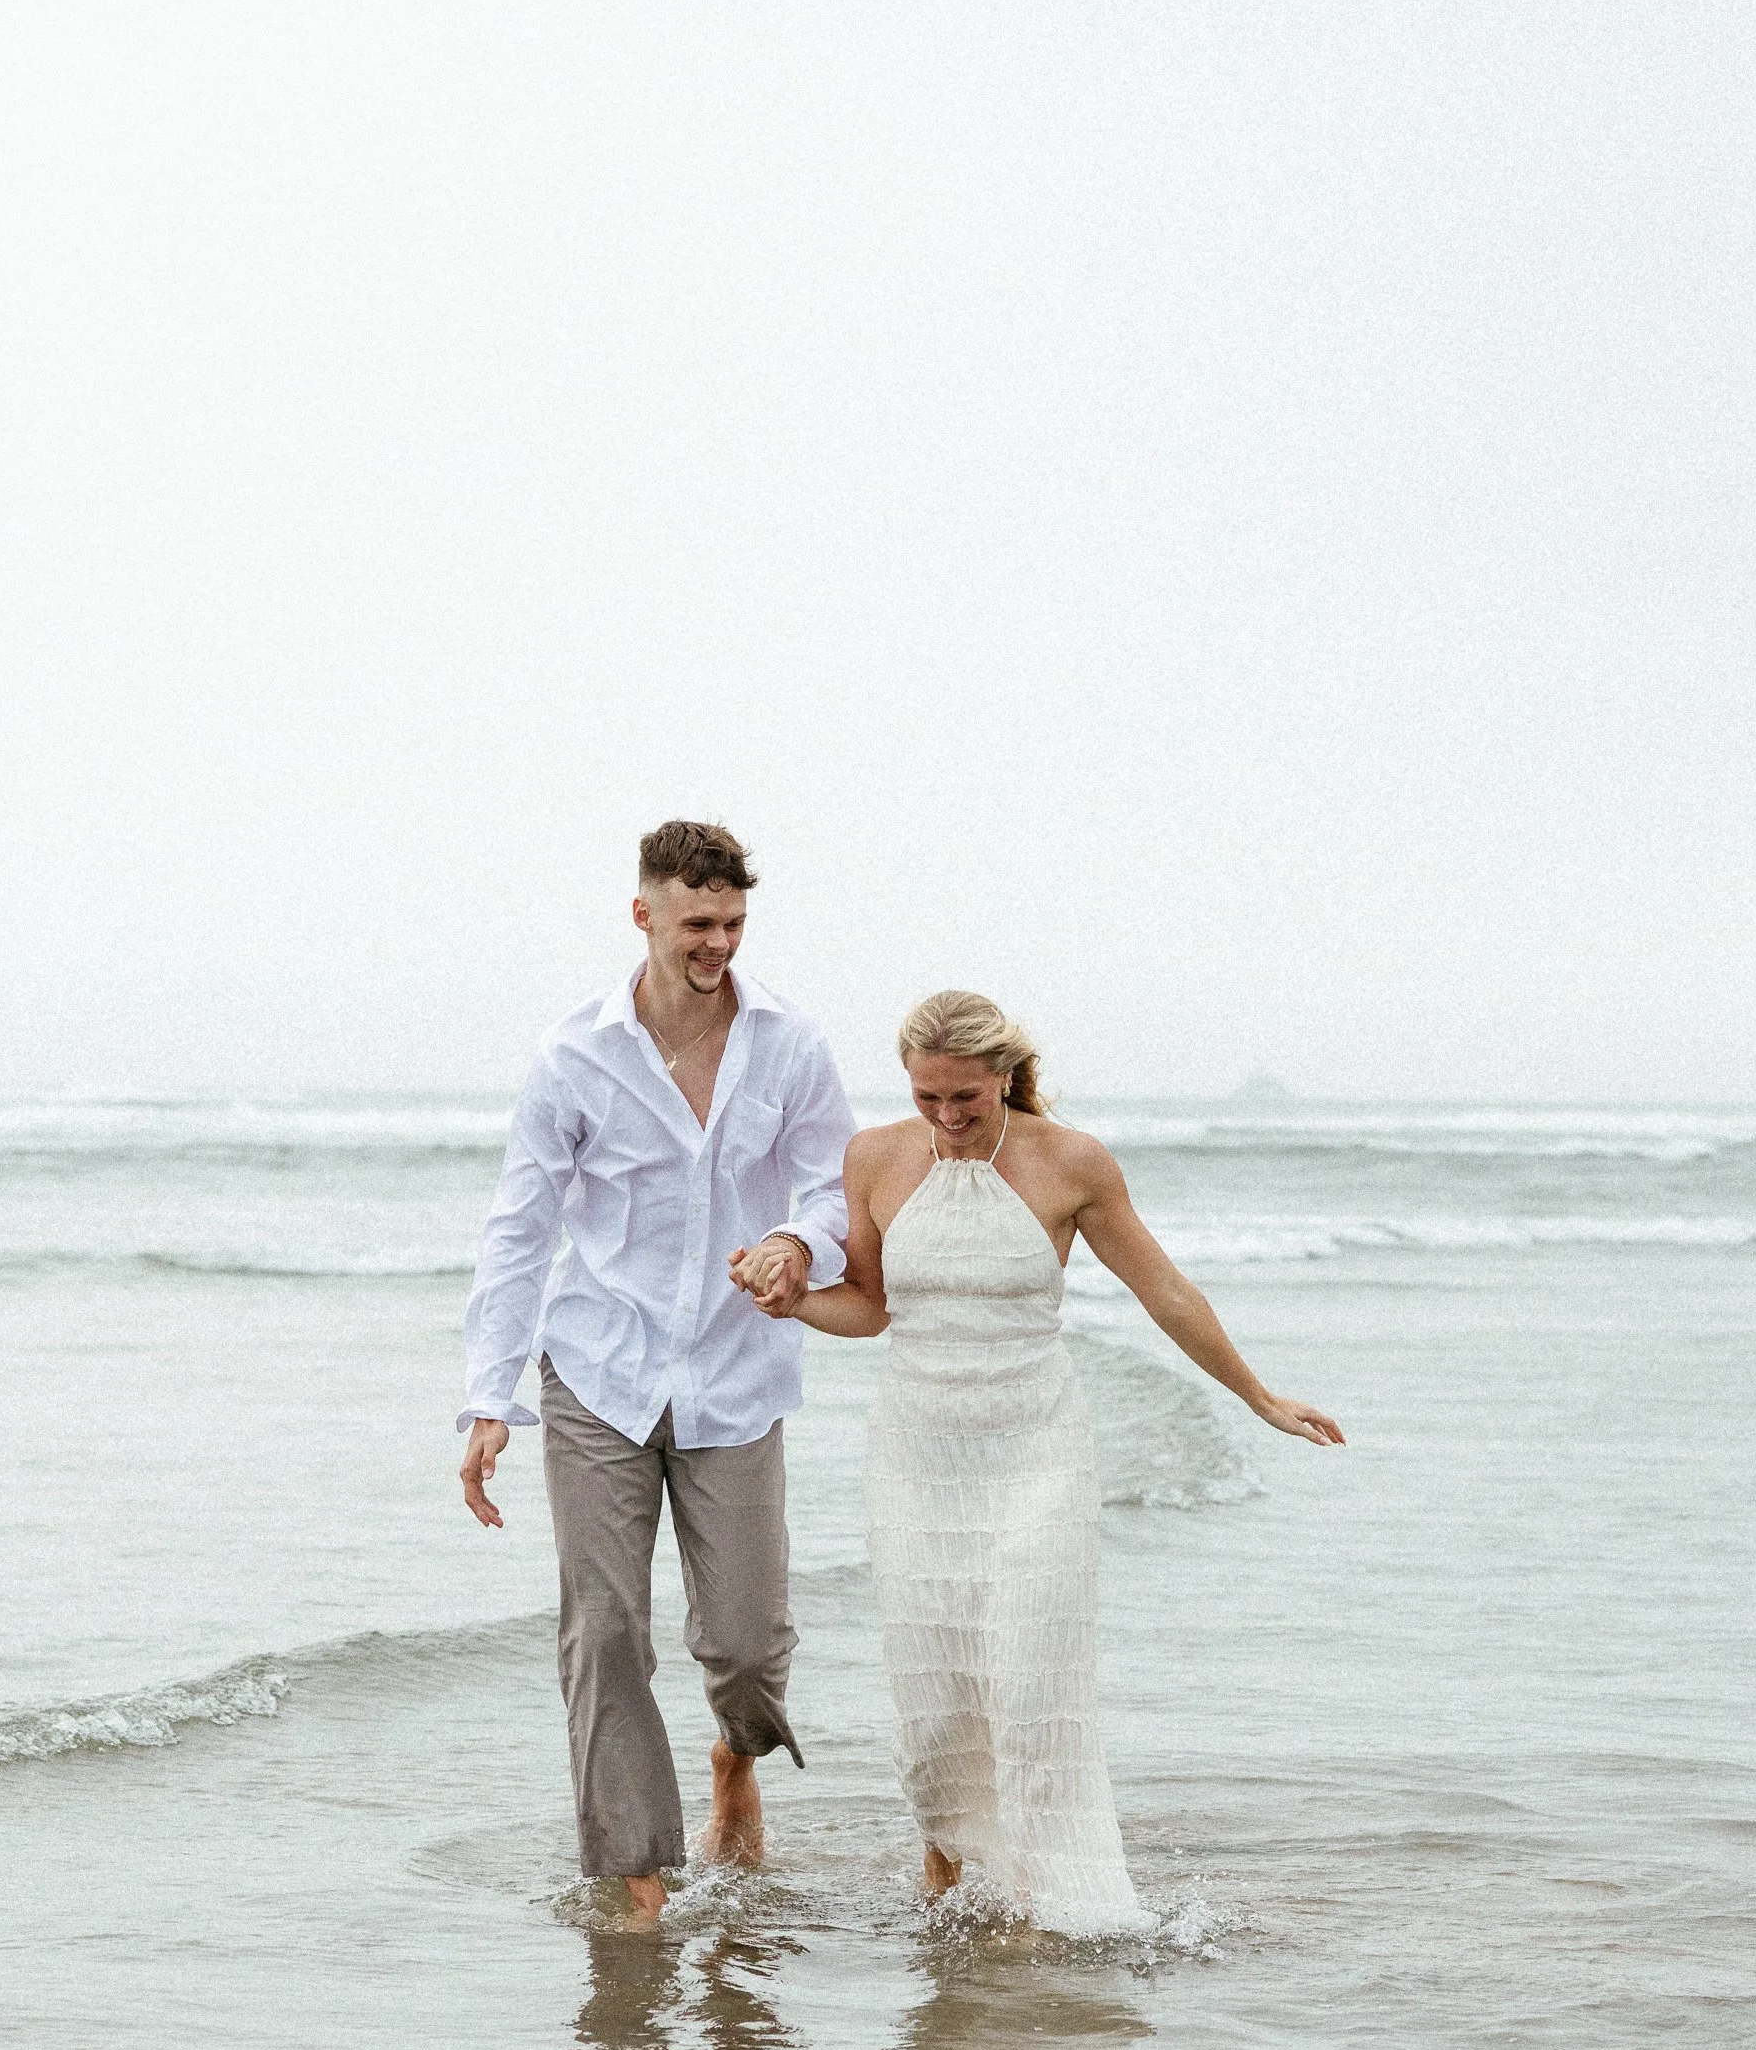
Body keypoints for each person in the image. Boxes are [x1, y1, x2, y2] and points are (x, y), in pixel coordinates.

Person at [735, 990, 1343, 1932]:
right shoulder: (876, 1157)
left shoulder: (1072, 1162)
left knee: (1028, 1683)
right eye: (927, 1097)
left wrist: (1258, 1395)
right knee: (938, 1693)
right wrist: (794, 1305)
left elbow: (1165, 1291)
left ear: (1005, 1077)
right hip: (917, 1458)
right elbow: (869, 1305)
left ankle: (1042, 1903)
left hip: (1037, 1450)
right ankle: (946, 1889)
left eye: (966, 1099)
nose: (946, 1119)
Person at [458, 822, 854, 1924]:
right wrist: (489, 1400)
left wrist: (798, 1246)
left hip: (738, 1372)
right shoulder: (573, 1056)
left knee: (743, 1640)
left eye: (731, 924)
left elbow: (834, 1189)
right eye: (695, 924)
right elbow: (519, 1231)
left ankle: (737, 1752)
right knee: (604, 1627)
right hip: (598, 1372)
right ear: (644, 915)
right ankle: (635, 1879)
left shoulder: (792, 1046)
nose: (716, 945)